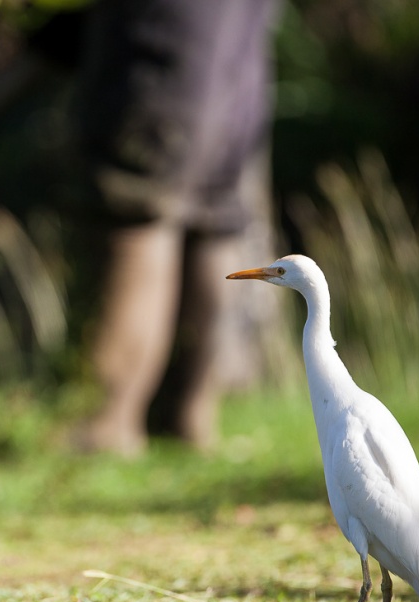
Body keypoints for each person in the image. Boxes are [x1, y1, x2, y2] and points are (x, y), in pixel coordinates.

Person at [66, 0, 280, 454]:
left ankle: (109, 418)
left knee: (137, 198)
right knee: (212, 212)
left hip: (167, 39)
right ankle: (188, 415)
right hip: (234, 56)